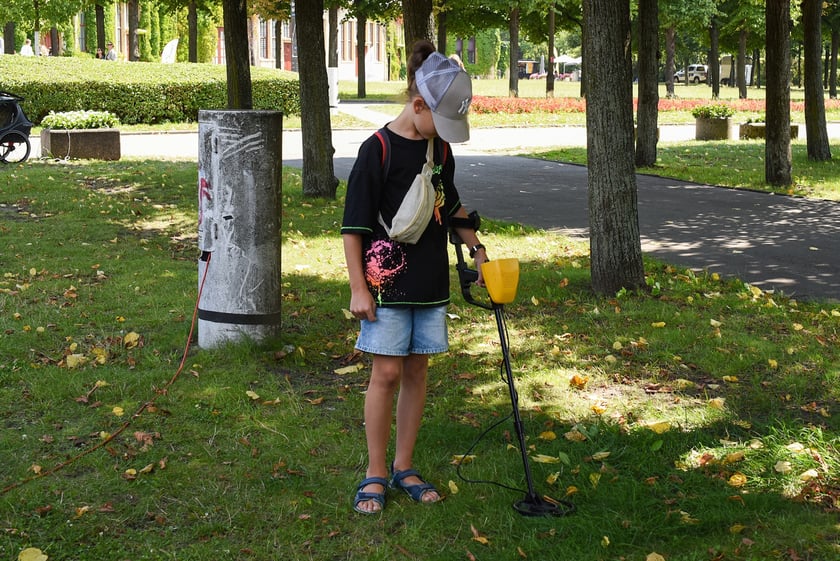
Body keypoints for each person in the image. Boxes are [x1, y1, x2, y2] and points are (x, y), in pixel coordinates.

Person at [341, 40, 487, 515]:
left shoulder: (439, 149)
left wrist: (478, 249)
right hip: (384, 283)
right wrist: (358, 288)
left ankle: (405, 465)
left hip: (429, 280)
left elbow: (450, 203)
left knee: (416, 370)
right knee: (384, 373)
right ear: (418, 104)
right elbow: (354, 227)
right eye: (438, 120)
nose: (442, 133)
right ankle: (376, 471)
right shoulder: (377, 150)